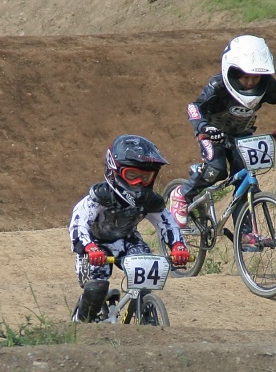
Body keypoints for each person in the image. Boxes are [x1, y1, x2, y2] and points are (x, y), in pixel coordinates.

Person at [167, 35, 276, 250]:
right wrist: (203, 128)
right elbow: (194, 107)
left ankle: (245, 233)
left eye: (256, 78)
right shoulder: (218, 85)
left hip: (242, 136)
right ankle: (182, 194)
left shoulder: (269, 86)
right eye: (245, 77)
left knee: (245, 179)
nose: (250, 82)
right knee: (217, 170)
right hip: (213, 135)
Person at [69, 135, 190, 322]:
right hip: (95, 245)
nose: (139, 183)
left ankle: (145, 312)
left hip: (127, 241)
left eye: (146, 176)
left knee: (148, 269)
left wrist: (178, 246)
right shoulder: (99, 197)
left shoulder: (150, 200)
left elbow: (166, 222)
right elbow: (79, 224)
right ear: (115, 172)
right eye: (132, 176)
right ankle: (80, 324)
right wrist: (89, 247)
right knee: (96, 287)